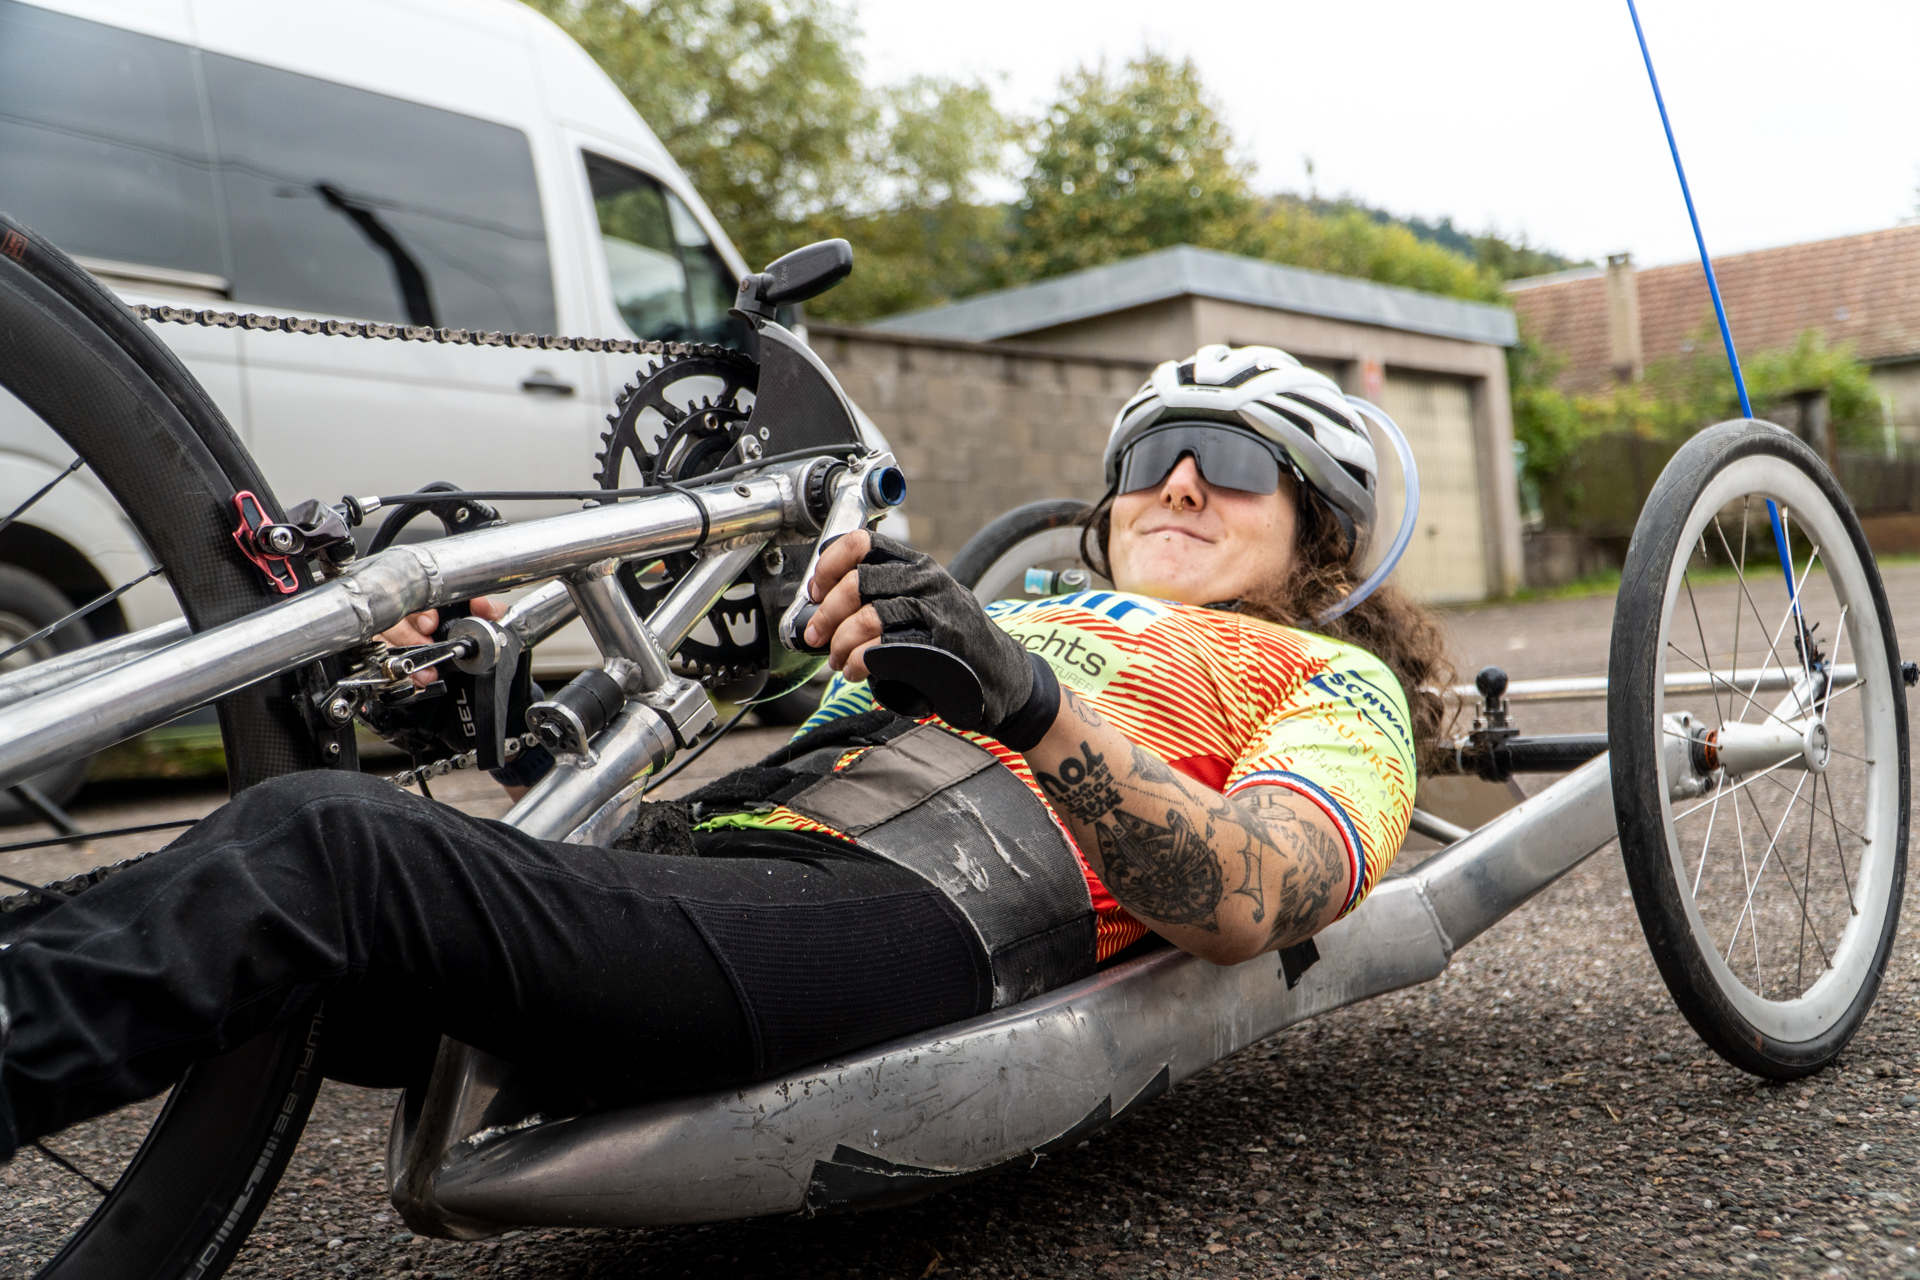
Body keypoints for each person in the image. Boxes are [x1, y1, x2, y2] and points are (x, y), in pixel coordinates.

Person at [0, 344, 1449, 1163]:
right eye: (1150, 456)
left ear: (1317, 533)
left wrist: (1023, 699)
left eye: (1235, 461)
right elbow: (697, 749)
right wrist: (477, 688)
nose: (1181, 481)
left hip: (918, 915)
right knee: (244, 891)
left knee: (330, 847)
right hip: (720, 875)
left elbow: (1254, 898)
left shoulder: (1333, 678)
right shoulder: (1017, 609)